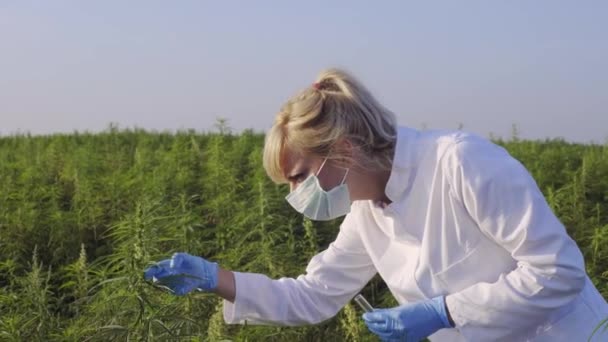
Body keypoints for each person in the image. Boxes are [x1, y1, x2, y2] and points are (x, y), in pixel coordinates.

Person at [144, 68, 608, 341]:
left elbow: (559, 272)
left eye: (299, 177)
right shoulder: (367, 210)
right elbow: (312, 295)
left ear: (343, 151)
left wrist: (444, 312)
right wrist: (217, 279)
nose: (294, 195)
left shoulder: (460, 162)